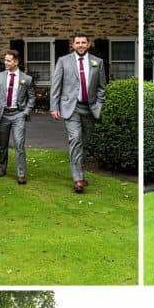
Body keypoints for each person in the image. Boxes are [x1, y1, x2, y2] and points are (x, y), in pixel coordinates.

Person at [50, 33, 106, 193]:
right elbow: (56, 85)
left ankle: (79, 171)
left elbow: (102, 86)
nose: (80, 45)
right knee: (75, 139)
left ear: (88, 44)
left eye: (83, 42)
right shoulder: (63, 61)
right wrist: (54, 107)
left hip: (90, 108)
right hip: (71, 107)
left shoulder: (98, 62)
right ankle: (78, 179)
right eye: (77, 43)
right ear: (73, 45)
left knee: (84, 142)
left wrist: (99, 104)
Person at [0, 49, 34, 184]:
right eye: (5, 60)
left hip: (18, 115)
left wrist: (25, 113)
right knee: (2, 144)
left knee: (19, 144)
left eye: (8, 60)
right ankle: (2, 167)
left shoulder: (26, 79)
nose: (6, 63)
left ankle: (21, 173)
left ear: (16, 62)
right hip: (3, 115)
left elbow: (31, 98)